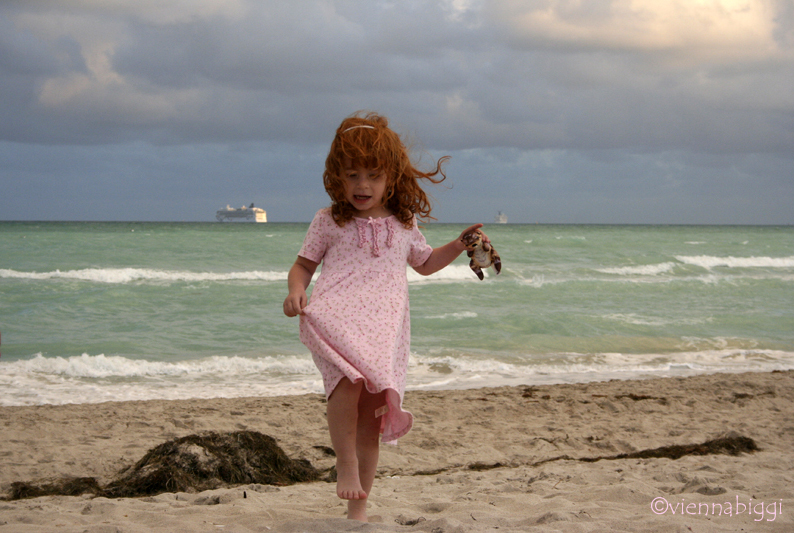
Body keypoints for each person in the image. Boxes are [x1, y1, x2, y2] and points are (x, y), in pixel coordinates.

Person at [283, 111, 488, 522]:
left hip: (383, 332)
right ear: (336, 177)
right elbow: (303, 266)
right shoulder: (329, 221)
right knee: (347, 386)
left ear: (391, 177)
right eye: (353, 175)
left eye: (373, 176)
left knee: (371, 419)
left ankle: (357, 512)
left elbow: (426, 263)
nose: (363, 185)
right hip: (336, 320)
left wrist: (460, 243)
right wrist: (295, 291)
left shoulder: (404, 222)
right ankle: (344, 461)